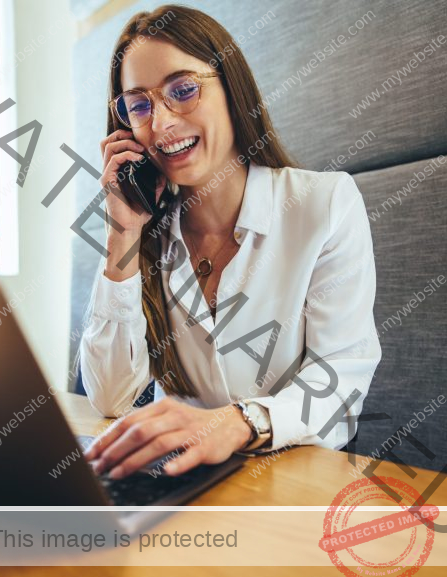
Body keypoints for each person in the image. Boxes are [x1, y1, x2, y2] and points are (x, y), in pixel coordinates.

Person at [80, 4, 382, 479]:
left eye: (182, 90)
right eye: (139, 105)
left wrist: (241, 422)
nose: (159, 124)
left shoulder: (323, 204)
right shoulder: (148, 232)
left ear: (232, 87)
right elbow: (110, 397)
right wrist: (124, 234)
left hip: (296, 483)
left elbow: (341, 380)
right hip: (180, 483)